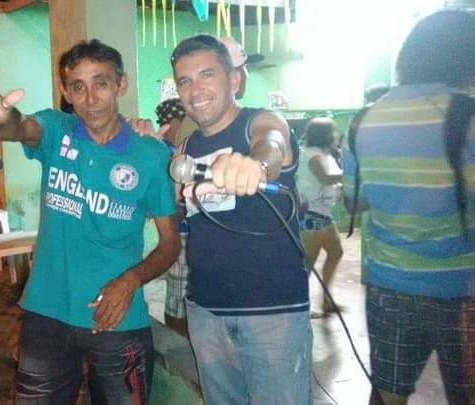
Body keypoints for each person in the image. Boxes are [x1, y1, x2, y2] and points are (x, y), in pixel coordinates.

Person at [0, 39, 180, 404]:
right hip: (47, 314)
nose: (90, 98)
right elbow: (18, 127)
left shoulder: (150, 154)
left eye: (101, 83)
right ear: (66, 92)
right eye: (78, 87)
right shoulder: (56, 130)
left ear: (121, 84)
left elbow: (171, 243)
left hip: (117, 318)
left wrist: (130, 281)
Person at [343, 10, 475, 405]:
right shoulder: (466, 116)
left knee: (386, 394)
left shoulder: (365, 120)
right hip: (462, 287)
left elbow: (353, 201)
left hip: (389, 282)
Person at [171, 34, 311, 404]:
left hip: (271, 314)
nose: (195, 90)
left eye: (207, 75)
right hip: (206, 310)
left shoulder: (259, 122)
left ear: (233, 79)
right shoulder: (187, 148)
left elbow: (273, 144)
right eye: (184, 81)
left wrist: (256, 166)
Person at [298, 117, 344, 317]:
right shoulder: (312, 155)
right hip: (312, 215)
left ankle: (326, 300)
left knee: (336, 252)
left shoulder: (324, 155)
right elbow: (324, 178)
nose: (336, 136)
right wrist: (352, 175)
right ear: (325, 135)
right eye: (333, 132)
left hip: (322, 214)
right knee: (307, 265)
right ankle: (299, 307)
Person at [155, 98, 190, 336]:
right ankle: (177, 342)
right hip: (181, 233)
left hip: (187, 232)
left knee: (183, 295)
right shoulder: (166, 152)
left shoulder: (176, 149)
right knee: (178, 297)